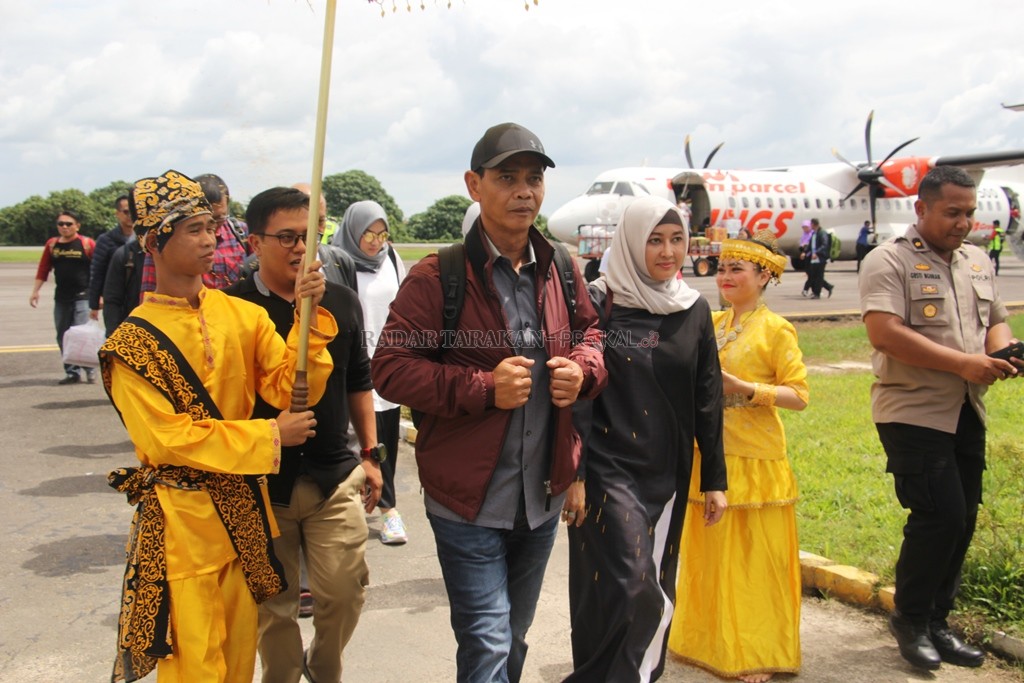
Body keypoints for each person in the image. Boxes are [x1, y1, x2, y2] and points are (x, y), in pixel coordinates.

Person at [371, 122, 607, 683]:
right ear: (474, 185)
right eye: (507, 178)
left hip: (541, 496)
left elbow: (592, 336)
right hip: (467, 501)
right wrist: (482, 388)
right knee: (488, 638)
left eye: (533, 178)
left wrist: (583, 371)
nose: (524, 191)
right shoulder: (438, 276)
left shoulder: (563, 268)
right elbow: (390, 369)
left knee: (512, 636)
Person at [99, 170, 336, 683]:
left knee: (237, 662)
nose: (209, 239)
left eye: (210, 226)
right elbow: (171, 440)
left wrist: (307, 318)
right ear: (154, 242)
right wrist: (271, 436)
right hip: (184, 527)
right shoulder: (130, 346)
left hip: (240, 516)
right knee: (194, 666)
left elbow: (292, 389)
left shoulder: (238, 314)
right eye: (191, 229)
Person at [859, 166, 1021, 672]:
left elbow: (994, 321)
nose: (963, 223)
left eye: (970, 212)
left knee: (964, 517)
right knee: (939, 516)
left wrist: (1007, 351)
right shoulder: (888, 260)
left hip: (966, 408)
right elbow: (884, 333)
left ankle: (937, 622)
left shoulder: (975, 260)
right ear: (921, 208)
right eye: (952, 212)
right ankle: (910, 620)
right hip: (912, 409)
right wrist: (964, 364)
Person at [564, 195, 727, 682]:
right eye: (654, 240)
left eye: (677, 240)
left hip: (666, 472)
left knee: (652, 582)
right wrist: (572, 473)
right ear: (632, 242)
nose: (667, 251)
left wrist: (714, 478)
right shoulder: (599, 301)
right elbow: (576, 394)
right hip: (606, 468)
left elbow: (708, 397)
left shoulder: (693, 308)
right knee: (626, 585)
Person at [226, 186, 381, 683]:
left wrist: (372, 454)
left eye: (309, 236)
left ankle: (324, 668)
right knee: (274, 604)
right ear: (254, 242)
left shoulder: (340, 302)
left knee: (343, 591)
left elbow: (360, 383)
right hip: (261, 484)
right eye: (286, 237)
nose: (300, 248)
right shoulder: (232, 308)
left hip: (333, 474)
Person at [668, 230, 807, 683]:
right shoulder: (714, 323)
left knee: (751, 562)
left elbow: (799, 395)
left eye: (737, 269)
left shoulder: (776, 329)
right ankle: (705, 642)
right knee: (710, 556)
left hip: (754, 459)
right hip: (708, 454)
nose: (724, 277)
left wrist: (746, 389)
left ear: (764, 276)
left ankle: (755, 651)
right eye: (722, 268)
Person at [332, 200, 409, 544]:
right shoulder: (339, 261)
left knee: (385, 440)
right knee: (359, 441)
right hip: (354, 362)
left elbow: (407, 302)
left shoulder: (391, 258)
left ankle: (385, 508)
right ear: (352, 231)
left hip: (388, 360)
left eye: (382, 234)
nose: (376, 242)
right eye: (369, 234)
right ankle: (377, 507)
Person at [140, 173, 249, 294]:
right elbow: (149, 294)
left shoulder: (241, 232)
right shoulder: (163, 242)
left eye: (218, 219)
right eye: (196, 229)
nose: (209, 240)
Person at [30, 210, 97, 384]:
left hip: (83, 296)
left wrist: (99, 295)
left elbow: (98, 271)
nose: (64, 227)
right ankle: (72, 372)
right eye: (61, 224)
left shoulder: (87, 244)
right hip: (61, 297)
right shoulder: (52, 245)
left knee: (81, 334)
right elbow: (43, 269)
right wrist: (35, 291)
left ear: (77, 226)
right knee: (63, 335)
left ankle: (89, 369)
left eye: (68, 223)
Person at [88, 195, 136, 325]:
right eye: (126, 211)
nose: (131, 215)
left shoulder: (146, 240)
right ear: (117, 214)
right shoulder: (106, 240)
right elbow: (97, 272)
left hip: (139, 297)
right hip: (115, 299)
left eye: (135, 210)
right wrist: (94, 305)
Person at [101, 236, 146, 336]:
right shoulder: (125, 254)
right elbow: (112, 299)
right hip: (131, 330)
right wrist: (113, 335)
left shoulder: (175, 254)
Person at [805, 218, 833, 299]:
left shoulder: (822, 233)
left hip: (820, 258)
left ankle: (817, 293)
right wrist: (805, 252)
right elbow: (811, 245)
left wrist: (817, 253)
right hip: (814, 258)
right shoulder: (814, 233)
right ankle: (828, 287)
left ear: (814, 224)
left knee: (819, 276)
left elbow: (824, 245)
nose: (810, 226)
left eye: (811, 224)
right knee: (813, 276)